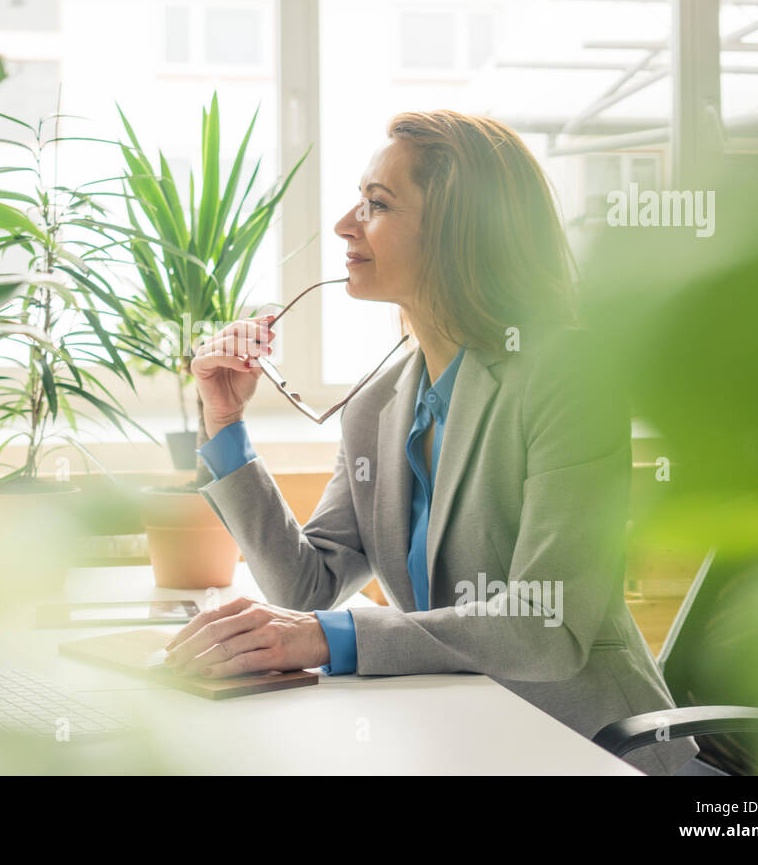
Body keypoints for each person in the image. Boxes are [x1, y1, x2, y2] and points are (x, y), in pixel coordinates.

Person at [163, 109, 699, 775]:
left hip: (594, 748)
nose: (343, 225)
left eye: (377, 204)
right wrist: (225, 426)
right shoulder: (379, 401)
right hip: (464, 736)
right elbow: (308, 587)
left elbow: (545, 628)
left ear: (458, 233)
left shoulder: (567, 374)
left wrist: (332, 638)